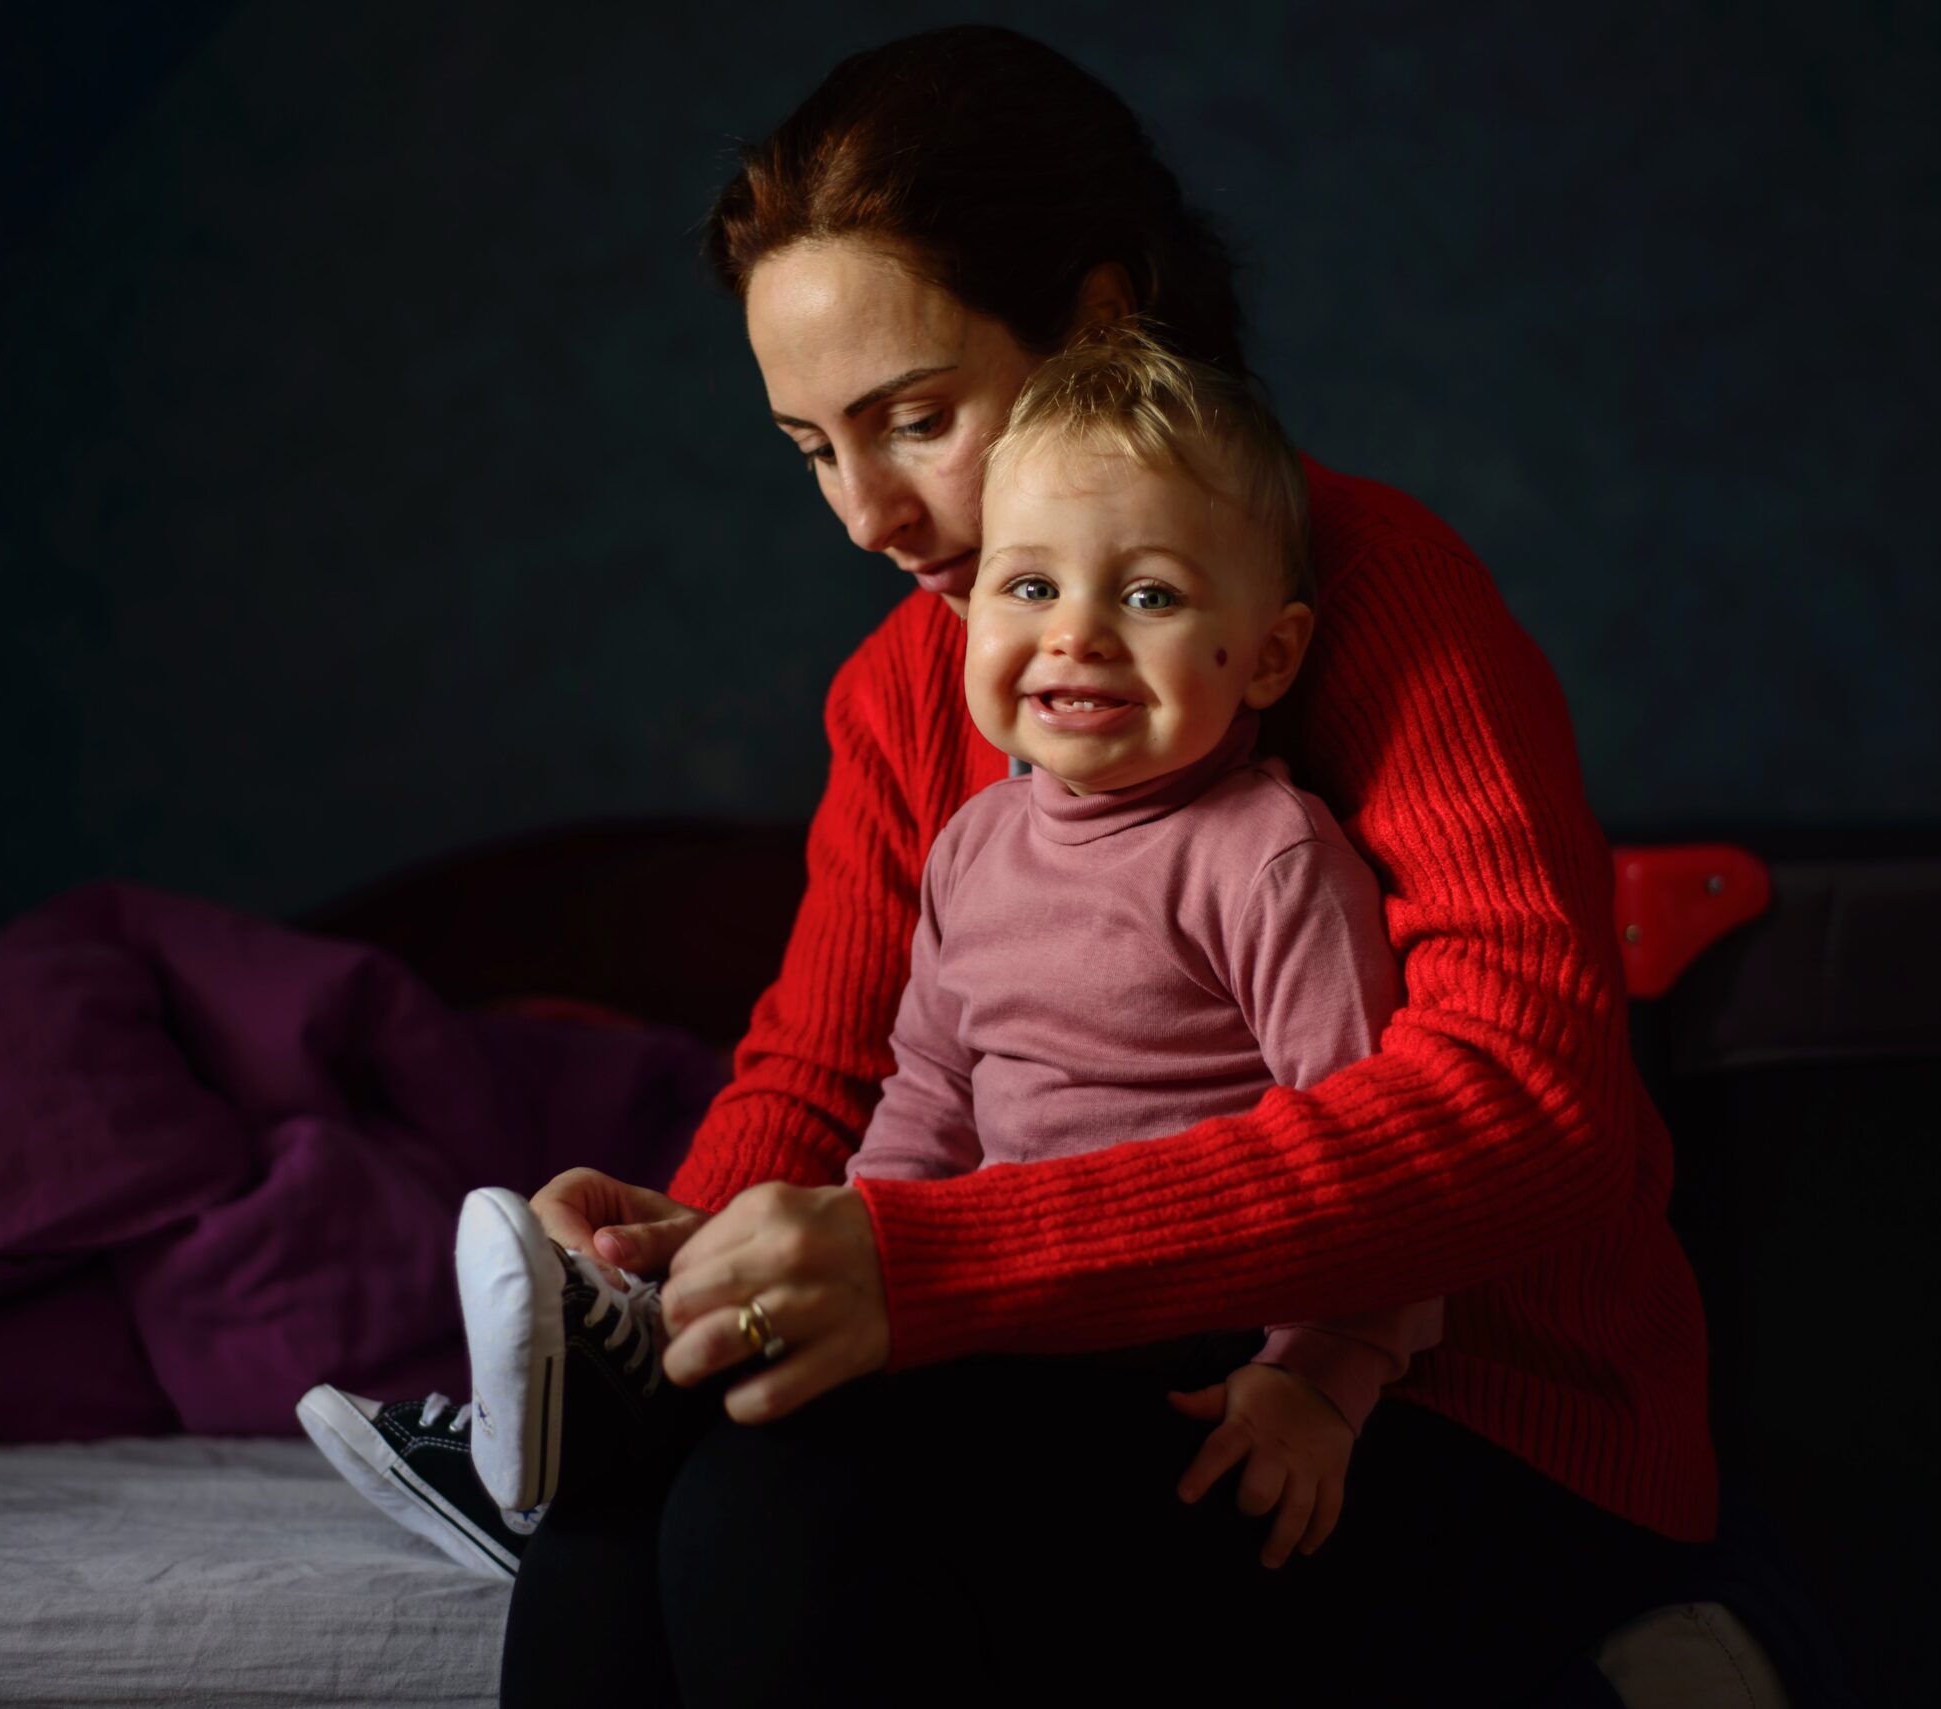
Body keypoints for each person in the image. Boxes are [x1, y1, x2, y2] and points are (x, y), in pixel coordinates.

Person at [324, 25, 1718, 1706]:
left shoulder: (1374, 593)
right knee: (619, 1520)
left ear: (1103, 320)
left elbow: (1527, 1106)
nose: (866, 515)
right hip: (1085, 1362)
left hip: (1435, 1409)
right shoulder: (905, 688)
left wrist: (930, 1264)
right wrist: (688, 1266)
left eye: (914, 420)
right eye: (812, 448)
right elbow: (826, 1069)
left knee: (781, 1517)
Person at [435, 329, 1442, 1574]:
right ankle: (613, 1390)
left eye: (1150, 596)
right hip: (995, 1303)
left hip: (1186, 1339)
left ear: (1270, 654)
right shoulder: (972, 844)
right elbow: (928, 1095)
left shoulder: (1266, 858)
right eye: (1030, 587)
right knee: (627, 1529)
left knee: (778, 1491)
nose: (1077, 634)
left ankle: (631, 1396)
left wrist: (1322, 1374)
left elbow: (1376, 1167)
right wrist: (851, 1242)